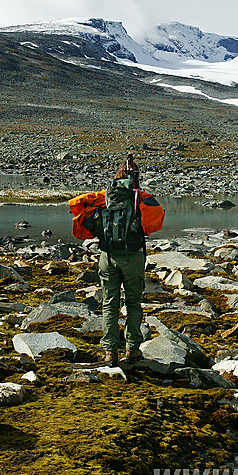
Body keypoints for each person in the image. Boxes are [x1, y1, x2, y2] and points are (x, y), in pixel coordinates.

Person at [68, 154, 164, 365]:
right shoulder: (140, 198)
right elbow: (155, 224)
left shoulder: (103, 198)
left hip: (107, 257)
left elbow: (77, 207)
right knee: (133, 303)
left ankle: (110, 352)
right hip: (133, 257)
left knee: (110, 303)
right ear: (136, 177)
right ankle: (132, 350)